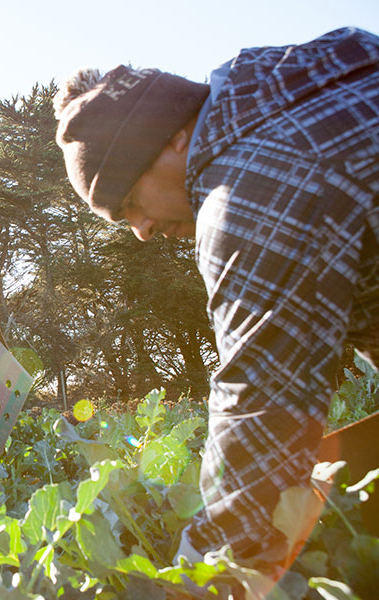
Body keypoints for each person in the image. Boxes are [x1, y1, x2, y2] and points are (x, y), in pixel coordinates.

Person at [53, 27, 379, 571]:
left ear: (175, 137)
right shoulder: (303, 81)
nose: (142, 230)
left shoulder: (247, 192)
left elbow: (261, 405)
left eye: (131, 200)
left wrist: (201, 568)